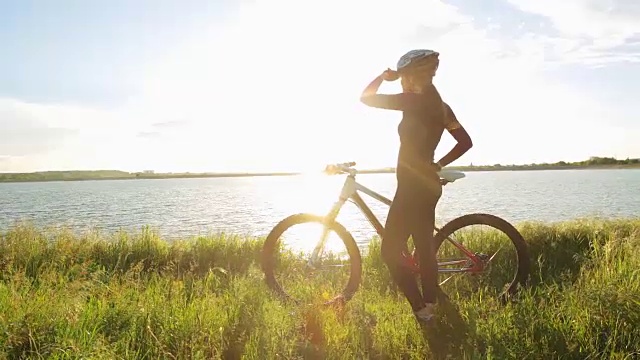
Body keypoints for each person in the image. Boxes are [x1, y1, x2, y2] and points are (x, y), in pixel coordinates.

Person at [359, 49, 473, 323]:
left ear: (411, 76)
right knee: (424, 247)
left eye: (403, 77)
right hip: (428, 184)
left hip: (411, 187)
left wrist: (381, 76)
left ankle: (421, 309)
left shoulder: (412, 101)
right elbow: (465, 142)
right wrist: (437, 165)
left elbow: (366, 98)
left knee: (389, 251)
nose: (401, 82)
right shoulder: (441, 106)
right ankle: (431, 305)